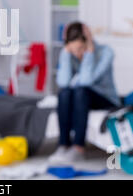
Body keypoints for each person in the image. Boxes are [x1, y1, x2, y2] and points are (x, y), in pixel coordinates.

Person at [49, 22, 121, 164]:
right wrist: (65, 54)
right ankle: (63, 145)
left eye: (81, 48)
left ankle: (78, 148)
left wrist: (89, 53)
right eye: (74, 50)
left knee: (80, 91)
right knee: (64, 93)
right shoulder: (70, 54)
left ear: (88, 41)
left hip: (106, 99)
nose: (78, 53)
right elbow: (63, 82)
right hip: (82, 99)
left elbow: (86, 81)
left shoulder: (106, 52)